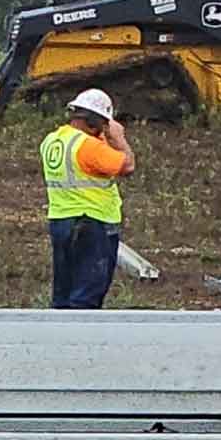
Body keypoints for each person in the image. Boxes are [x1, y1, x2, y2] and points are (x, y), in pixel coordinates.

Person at [40, 88, 136, 309]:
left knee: (63, 293)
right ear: (94, 121)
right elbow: (128, 165)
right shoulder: (88, 146)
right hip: (92, 223)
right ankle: (81, 340)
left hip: (60, 221)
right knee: (87, 294)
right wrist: (119, 138)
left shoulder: (52, 140)